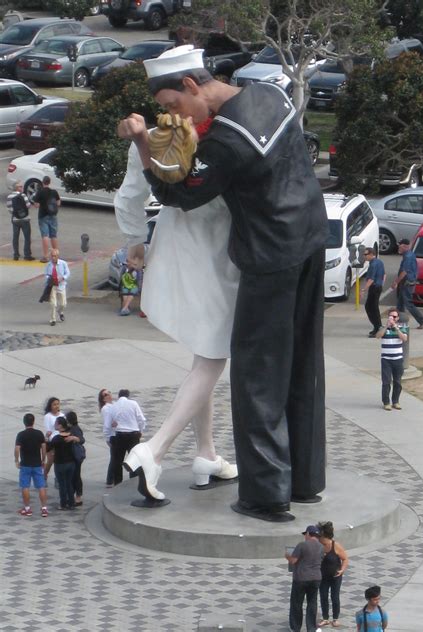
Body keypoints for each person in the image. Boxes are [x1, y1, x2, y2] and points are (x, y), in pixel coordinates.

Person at [117, 44, 328, 522]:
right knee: (303, 366)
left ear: (192, 85)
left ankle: (266, 495)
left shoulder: (226, 140)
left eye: (173, 104)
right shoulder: (270, 95)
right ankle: (305, 480)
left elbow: (180, 194)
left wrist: (142, 145)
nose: (172, 115)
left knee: (259, 378)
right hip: (312, 238)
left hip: (269, 257)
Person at [113, 116, 240, 502]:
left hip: (174, 247)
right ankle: (155, 449)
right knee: (213, 356)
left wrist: (135, 237)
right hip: (219, 252)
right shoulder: (227, 141)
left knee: (204, 354)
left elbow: (129, 194)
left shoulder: (153, 139)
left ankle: (206, 453)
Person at [285, 525, 324, 632]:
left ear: (308, 534)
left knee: (297, 603)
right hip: (316, 578)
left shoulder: (302, 545)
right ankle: (311, 628)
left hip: (301, 578)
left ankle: (296, 627)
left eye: (305, 535)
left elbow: (293, 561)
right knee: (312, 602)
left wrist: (287, 556)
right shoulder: (321, 547)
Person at [316, 521, 349, 628]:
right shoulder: (318, 545)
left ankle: (335, 618)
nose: (318, 538)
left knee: (335, 597)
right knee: (323, 596)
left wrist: (342, 570)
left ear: (325, 536)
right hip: (323, 577)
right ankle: (325, 618)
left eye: (320, 537)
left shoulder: (336, 546)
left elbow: (345, 559)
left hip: (335, 577)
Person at [14, 413, 48, 517]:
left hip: (25, 464)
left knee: (25, 486)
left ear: (24, 422)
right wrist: (43, 459)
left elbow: (17, 449)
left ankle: (27, 509)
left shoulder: (21, 435)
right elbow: (43, 448)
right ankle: (44, 509)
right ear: (33, 421)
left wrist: (16, 460)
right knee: (41, 486)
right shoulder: (39, 434)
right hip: (37, 464)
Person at [110, 389, 147, 485]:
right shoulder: (133, 404)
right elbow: (142, 419)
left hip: (119, 435)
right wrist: (140, 431)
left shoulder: (114, 406)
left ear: (119, 396)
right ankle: (133, 482)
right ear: (128, 396)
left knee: (117, 461)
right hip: (133, 435)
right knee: (133, 460)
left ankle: (117, 484)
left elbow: (111, 423)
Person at [391, 238, 423, 329]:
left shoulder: (407, 257)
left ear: (404, 246)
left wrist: (396, 282)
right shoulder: (409, 254)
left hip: (407, 283)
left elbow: (404, 272)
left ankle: (422, 320)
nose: (398, 247)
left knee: (408, 303)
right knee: (400, 304)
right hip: (407, 282)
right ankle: (398, 322)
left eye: (400, 245)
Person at [376, 308, 408, 411]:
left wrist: (395, 327)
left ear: (397, 318)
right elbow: (378, 336)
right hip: (386, 359)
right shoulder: (383, 328)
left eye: (394, 317)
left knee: (397, 382)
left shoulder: (401, 328)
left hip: (398, 359)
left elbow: (404, 338)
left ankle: (396, 401)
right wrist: (386, 326)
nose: (392, 318)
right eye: (390, 316)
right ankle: (386, 402)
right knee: (386, 382)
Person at [50, 416, 80, 510]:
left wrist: (47, 438)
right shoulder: (70, 436)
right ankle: (71, 503)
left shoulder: (56, 438)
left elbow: (48, 448)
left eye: (56, 423)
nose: (54, 425)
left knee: (62, 484)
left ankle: (63, 504)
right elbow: (80, 440)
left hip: (60, 464)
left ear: (59, 425)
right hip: (71, 463)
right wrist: (74, 438)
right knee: (69, 483)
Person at [33, 175, 61, 262]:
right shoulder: (54, 192)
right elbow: (58, 203)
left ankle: (46, 256)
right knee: (53, 235)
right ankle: (56, 255)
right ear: (49, 182)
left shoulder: (40, 192)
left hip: (43, 216)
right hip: (53, 215)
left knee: (45, 236)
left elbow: (36, 205)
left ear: (42, 182)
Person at [7, 180, 35, 262]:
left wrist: (15, 213)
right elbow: (28, 206)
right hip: (25, 219)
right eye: (21, 186)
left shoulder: (9, 197)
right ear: (17, 188)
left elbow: (9, 208)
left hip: (15, 219)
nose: (22, 187)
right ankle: (27, 255)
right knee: (27, 237)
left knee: (15, 237)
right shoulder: (23, 195)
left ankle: (16, 255)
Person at [361, 248, 385, 337]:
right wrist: (381, 284)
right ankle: (376, 327)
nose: (364, 256)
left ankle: (377, 327)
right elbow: (384, 275)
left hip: (374, 287)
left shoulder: (373, 264)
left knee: (370, 307)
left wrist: (363, 290)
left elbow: (371, 279)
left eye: (366, 254)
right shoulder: (379, 262)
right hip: (378, 287)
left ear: (371, 254)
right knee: (373, 307)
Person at [44, 248, 70, 326]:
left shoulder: (63, 263)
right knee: (53, 304)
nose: (53, 258)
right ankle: (53, 319)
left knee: (63, 304)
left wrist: (63, 278)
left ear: (58, 256)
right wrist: (49, 278)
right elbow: (46, 274)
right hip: (52, 286)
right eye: (52, 256)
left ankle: (60, 311)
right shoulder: (48, 265)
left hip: (61, 285)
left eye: (55, 256)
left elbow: (67, 273)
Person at [65, 411, 85, 506]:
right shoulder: (71, 428)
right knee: (74, 476)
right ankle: (74, 495)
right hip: (74, 456)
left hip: (76, 456)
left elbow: (81, 440)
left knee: (75, 476)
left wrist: (74, 438)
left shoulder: (75, 429)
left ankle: (78, 496)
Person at [43, 396, 64, 480]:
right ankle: (44, 476)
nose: (57, 406)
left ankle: (57, 478)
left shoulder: (62, 415)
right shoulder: (48, 416)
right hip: (52, 441)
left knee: (59, 460)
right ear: (50, 406)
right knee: (50, 460)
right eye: (54, 404)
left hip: (61, 440)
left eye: (58, 404)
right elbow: (48, 430)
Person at [99, 388, 116, 488]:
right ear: (103, 399)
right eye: (105, 395)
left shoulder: (113, 405)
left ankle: (112, 478)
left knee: (115, 457)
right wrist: (107, 438)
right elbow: (106, 425)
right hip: (113, 436)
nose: (108, 395)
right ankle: (110, 480)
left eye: (109, 392)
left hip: (117, 433)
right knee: (114, 458)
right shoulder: (106, 408)